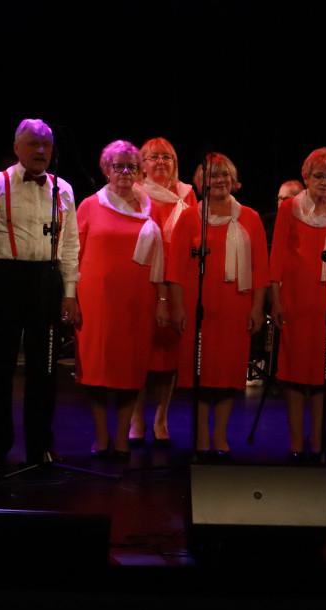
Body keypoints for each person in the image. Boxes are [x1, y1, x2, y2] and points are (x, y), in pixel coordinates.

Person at [0, 119, 81, 466]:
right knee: (0, 367)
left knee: (44, 368)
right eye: (33, 144)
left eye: (46, 144)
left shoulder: (64, 189)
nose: (41, 151)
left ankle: (40, 445)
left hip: (45, 279)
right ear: (17, 148)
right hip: (5, 279)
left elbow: (71, 243)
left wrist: (70, 290)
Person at [167, 152, 268, 456]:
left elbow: (261, 269)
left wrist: (256, 307)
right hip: (198, 307)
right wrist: (177, 307)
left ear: (234, 181)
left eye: (225, 175)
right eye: (213, 175)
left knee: (226, 376)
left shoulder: (250, 217)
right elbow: (174, 268)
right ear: (200, 184)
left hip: (236, 306)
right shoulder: (189, 217)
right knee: (199, 375)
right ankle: (200, 438)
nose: (220, 180)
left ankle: (220, 438)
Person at [74, 140, 168, 459]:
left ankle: (123, 436)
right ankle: (102, 435)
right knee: (97, 371)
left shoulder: (150, 207)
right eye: (118, 166)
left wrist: (163, 299)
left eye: (131, 166)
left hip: (138, 302)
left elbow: (160, 257)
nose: (125, 172)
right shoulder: (89, 205)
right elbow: (73, 255)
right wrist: (69, 297)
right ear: (105, 169)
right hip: (96, 302)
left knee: (130, 371)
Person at [270, 148, 326, 461]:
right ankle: (296, 442)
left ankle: (318, 441)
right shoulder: (290, 208)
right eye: (318, 176)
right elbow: (277, 254)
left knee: (323, 372)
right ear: (306, 177)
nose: (323, 181)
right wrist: (275, 297)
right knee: (294, 371)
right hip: (295, 299)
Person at [128, 137, 197, 448]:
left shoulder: (187, 195)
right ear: (142, 164)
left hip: (178, 279)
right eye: (153, 157)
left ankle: (161, 417)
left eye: (167, 157)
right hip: (143, 278)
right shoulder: (133, 193)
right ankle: (136, 417)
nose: (160, 163)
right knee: (142, 351)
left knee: (169, 354)